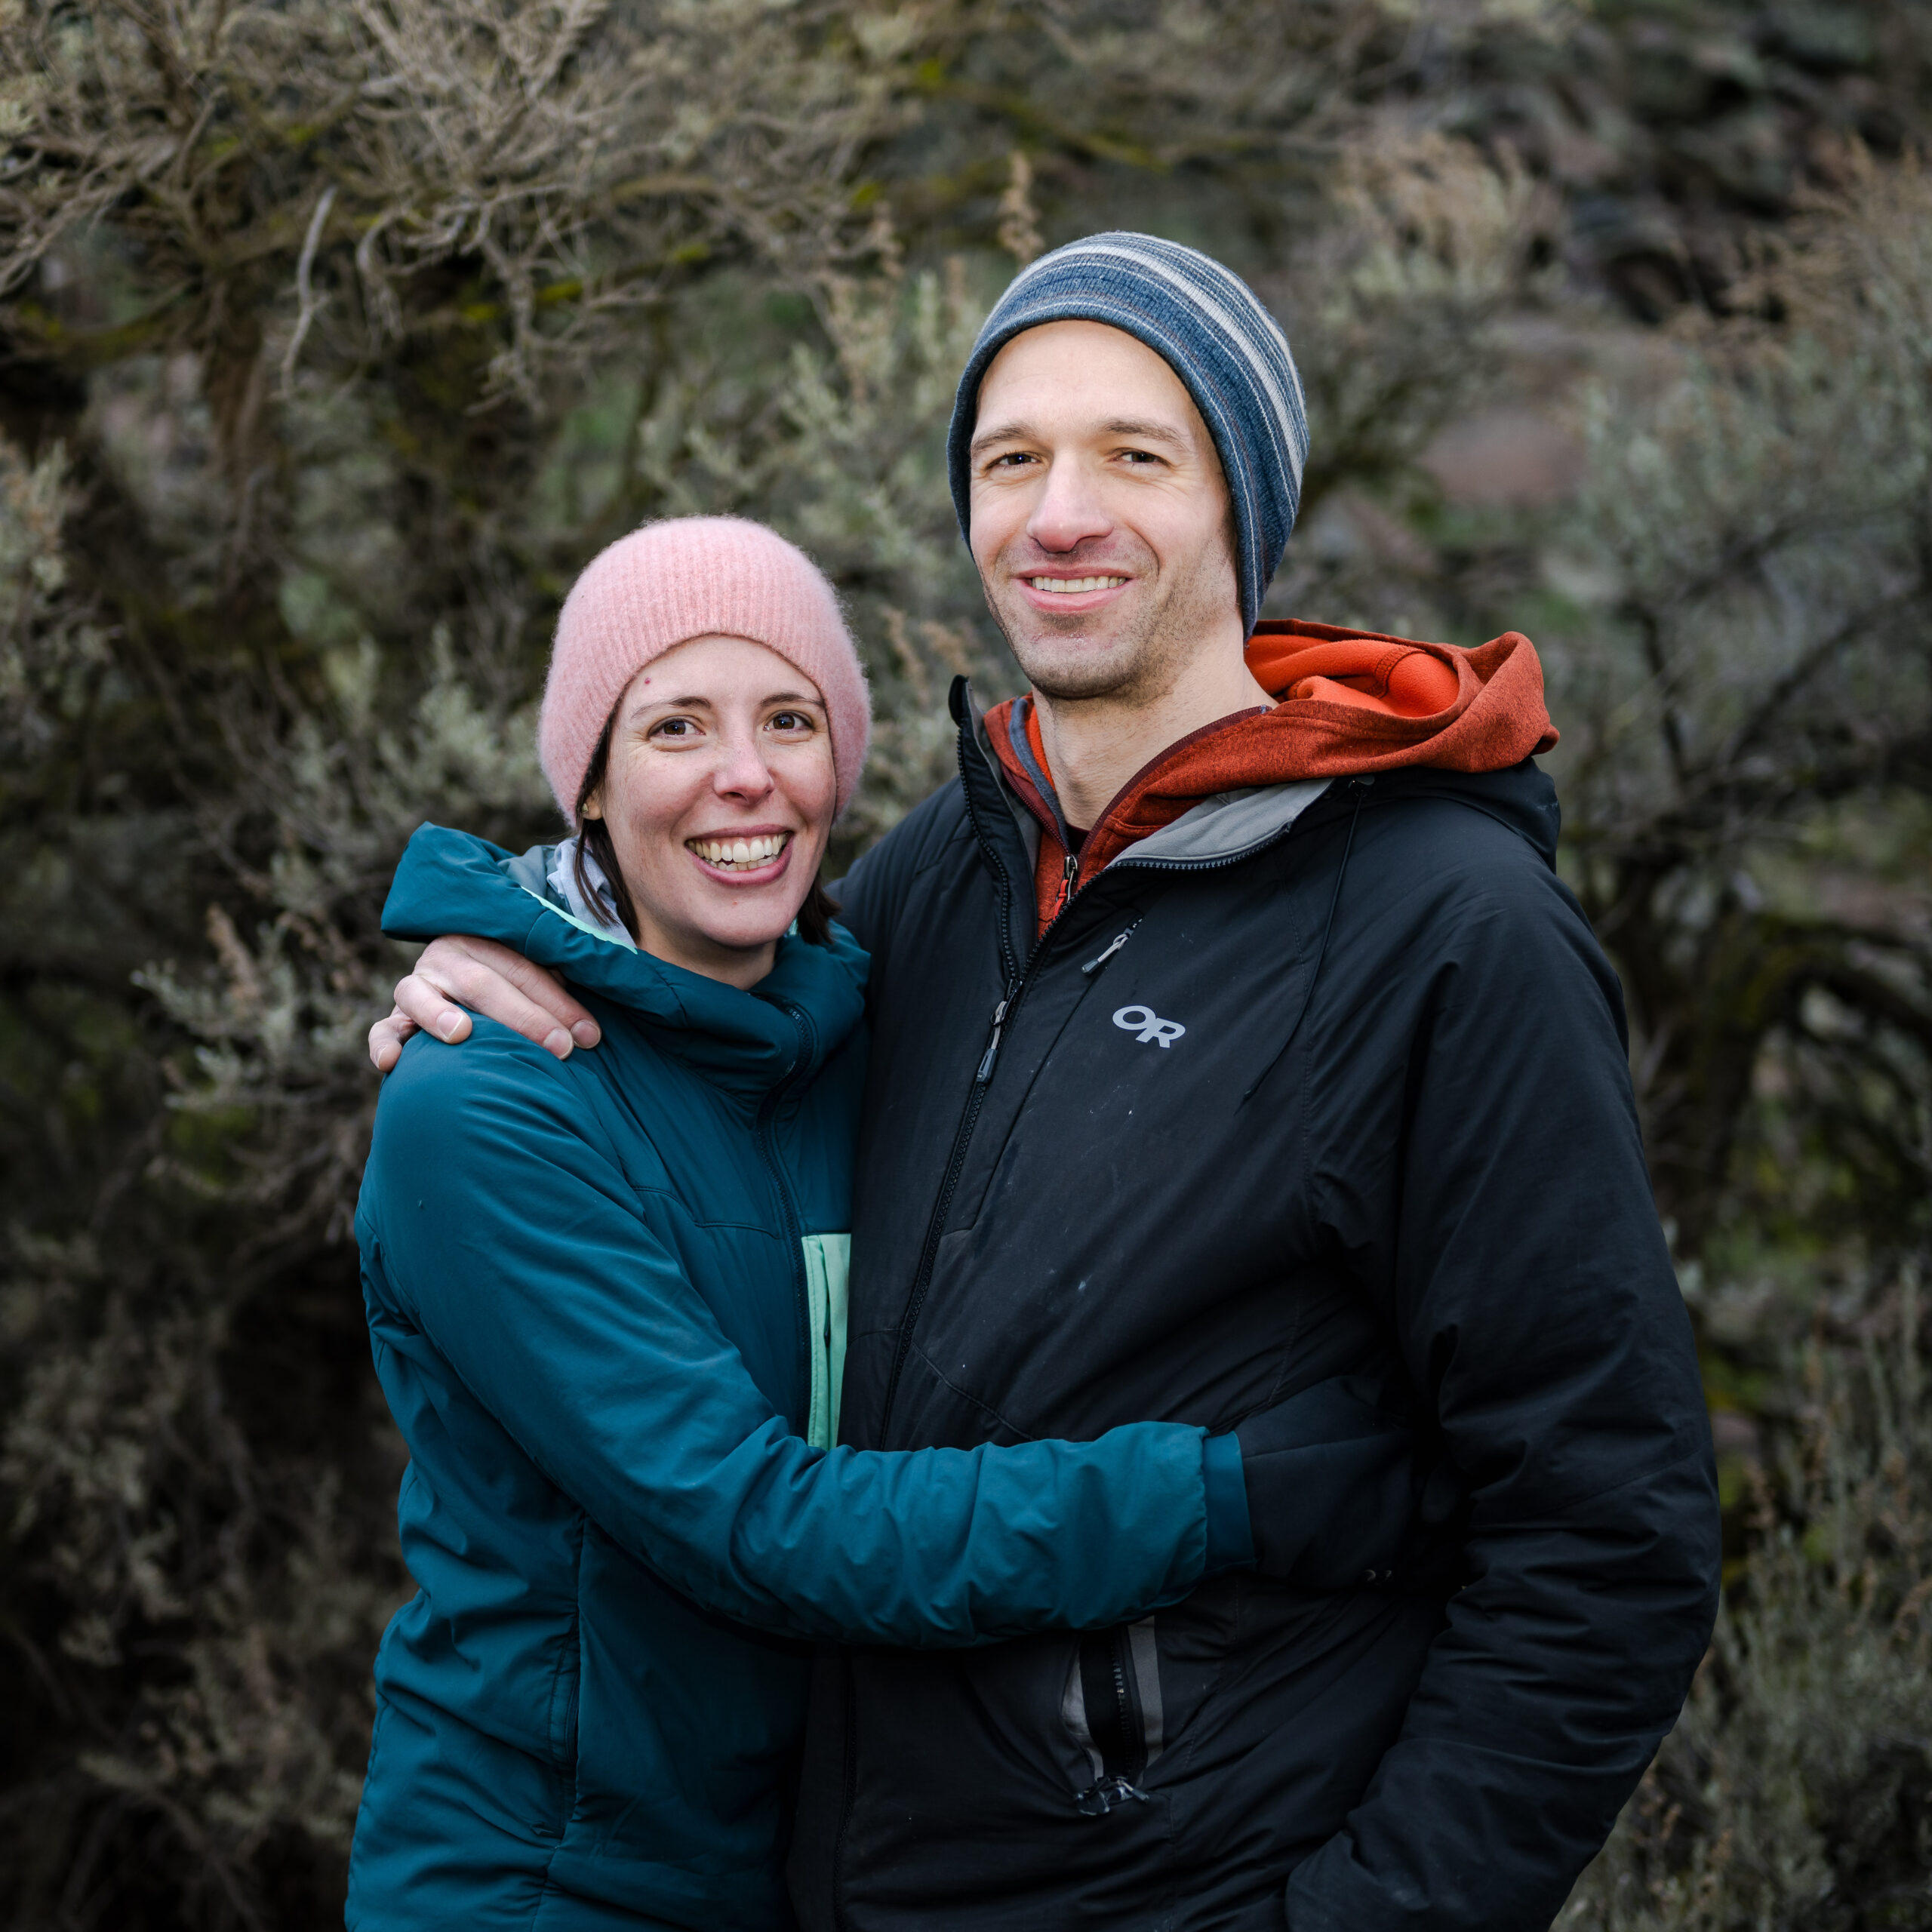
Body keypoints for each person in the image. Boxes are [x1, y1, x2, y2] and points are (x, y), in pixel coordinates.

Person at [371, 238, 1722, 1931]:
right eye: (1010, 459)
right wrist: (503, 962)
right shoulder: (944, 869)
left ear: (1240, 501)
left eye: (1133, 455)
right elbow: (701, 1007)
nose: (1057, 512)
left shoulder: (1443, 929)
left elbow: (1607, 1540)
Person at [349, 515, 1423, 1932]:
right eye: (675, 725)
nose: (747, 776)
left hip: (798, 1870)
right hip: (551, 1886)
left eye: (789, 718)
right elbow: (757, 1524)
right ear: (590, 786)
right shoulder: (490, 1108)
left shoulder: (858, 1031)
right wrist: (1227, 1493)